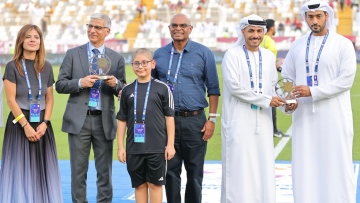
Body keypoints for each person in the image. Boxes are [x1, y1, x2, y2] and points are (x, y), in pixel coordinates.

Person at [282, 1, 357, 202]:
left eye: (318, 16)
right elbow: (287, 78)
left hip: (335, 117)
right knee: (306, 164)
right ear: (305, 18)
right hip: (303, 118)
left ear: (327, 17)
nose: (314, 21)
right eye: (310, 17)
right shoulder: (297, 45)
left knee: (336, 163)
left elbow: (345, 81)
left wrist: (313, 92)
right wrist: (287, 99)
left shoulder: (342, 44)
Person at [55, 13, 126, 203]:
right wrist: (80, 82)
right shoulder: (72, 54)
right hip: (79, 120)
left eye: (97, 27)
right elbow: (60, 85)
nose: (92, 30)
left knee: (105, 172)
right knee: (78, 172)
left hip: (104, 121)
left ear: (107, 31)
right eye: (90, 26)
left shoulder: (116, 58)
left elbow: (123, 89)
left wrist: (115, 84)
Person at [221, 14, 290, 203]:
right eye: (251, 31)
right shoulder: (232, 55)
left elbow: (274, 87)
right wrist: (267, 100)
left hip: (264, 122)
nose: (255, 35)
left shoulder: (268, 57)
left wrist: (287, 102)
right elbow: (234, 87)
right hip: (239, 121)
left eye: (259, 31)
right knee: (238, 170)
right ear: (243, 31)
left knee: (263, 169)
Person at [152, 13, 220, 203]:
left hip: (195, 121)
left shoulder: (203, 53)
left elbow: (213, 89)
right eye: (174, 25)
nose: (178, 28)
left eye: (183, 25)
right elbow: (152, 87)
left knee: (195, 173)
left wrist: (212, 120)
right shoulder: (159, 54)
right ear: (169, 28)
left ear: (190, 29)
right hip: (168, 121)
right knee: (170, 173)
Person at [0, 24, 63, 202]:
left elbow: (50, 98)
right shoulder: (12, 66)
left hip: (42, 125)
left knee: (41, 168)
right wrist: (26, 125)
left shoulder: (47, 66)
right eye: (28, 37)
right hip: (20, 124)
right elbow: (11, 100)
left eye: (36, 37)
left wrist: (45, 123)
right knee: (20, 170)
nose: (32, 40)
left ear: (40, 42)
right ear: (21, 40)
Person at [117, 48, 176, 203]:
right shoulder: (127, 90)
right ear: (132, 65)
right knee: (139, 186)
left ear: (153, 64)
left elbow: (169, 118)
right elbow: (122, 119)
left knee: (155, 185)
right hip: (134, 148)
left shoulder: (162, 88)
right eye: (136, 63)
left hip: (156, 148)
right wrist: (121, 147)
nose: (140, 66)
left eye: (144, 62)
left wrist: (170, 145)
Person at [260, 19, 289, 138]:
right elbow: (270, 60)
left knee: (265, 100)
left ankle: (268, 129)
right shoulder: (269, 41)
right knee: (273, 100)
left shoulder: (262, 39)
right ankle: (274, 130)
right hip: (268, 75)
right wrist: (280, 69)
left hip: (261, 74)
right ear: (272, 28)